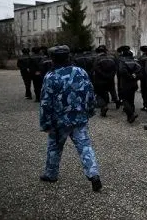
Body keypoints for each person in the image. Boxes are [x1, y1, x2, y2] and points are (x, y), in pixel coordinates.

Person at [39, 45, 102, 192]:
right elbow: (90, 92)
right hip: (79, 118)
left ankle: (51, 174)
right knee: (85, 147)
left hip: (59, 121)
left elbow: (45, 102)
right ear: (68, 57)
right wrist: (90, 111)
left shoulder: (51, 76)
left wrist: (45, 123)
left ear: (53, 59)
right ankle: (94, 175)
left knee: (54, 148)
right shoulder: (81, 72)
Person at [93, 45, 117, 117]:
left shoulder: (97, 59)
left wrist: (103, 75)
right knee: (106, 92)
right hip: (110, 79)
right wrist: (110, 75)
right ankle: (106, 105)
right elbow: (115, 68)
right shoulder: (112, 58)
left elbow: (96, 69)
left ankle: (104, 106)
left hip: (100, 79)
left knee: (99, 94)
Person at [118, 49, 141, 123]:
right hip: (134, 84)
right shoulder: (136, 62)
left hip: (125, 83)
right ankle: (130, 117)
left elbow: (122, 71)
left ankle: (131, 114)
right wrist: (135, 76)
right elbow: (140, 72)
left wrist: (130, 76)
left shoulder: (123, 62)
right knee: (131, 100)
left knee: (125, 100)